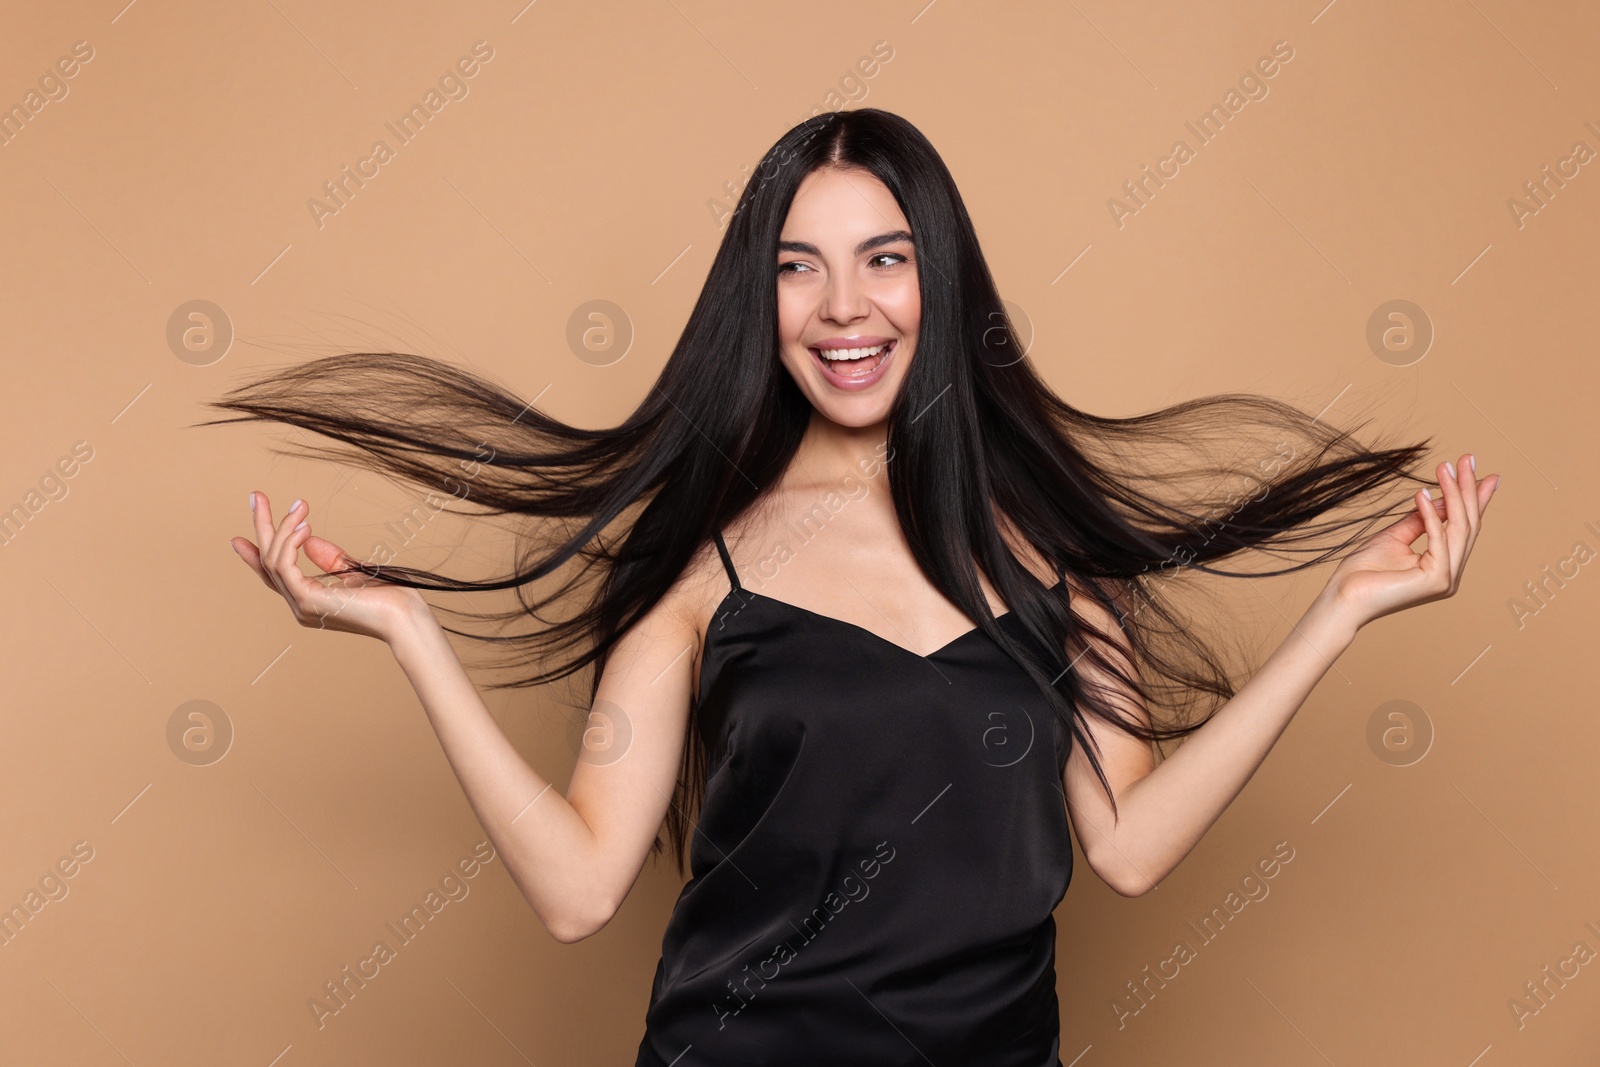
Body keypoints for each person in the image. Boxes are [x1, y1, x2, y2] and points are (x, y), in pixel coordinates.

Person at [208, 109, 1498, 1064]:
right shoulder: (701, 567)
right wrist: (407, 631)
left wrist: (1342, 611)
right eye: (796, 265)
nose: (843, 306)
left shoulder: (1047, 559)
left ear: (939, 282)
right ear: (756, 301)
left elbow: (1134, 846)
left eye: (884, 258)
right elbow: (580, 888)